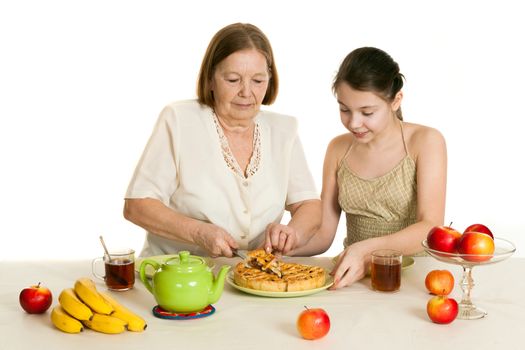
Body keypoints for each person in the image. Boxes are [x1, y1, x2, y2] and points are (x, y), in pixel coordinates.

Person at [123, 23, 321, 258]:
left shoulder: (283, 130)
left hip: (252, 277)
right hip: (176, 275)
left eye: (258, 81)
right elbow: (137, 206)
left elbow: (309, 206)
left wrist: (291, 233)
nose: (246, 92)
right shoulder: (179, 119)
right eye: (233, 79)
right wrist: (198, 232)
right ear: (210, 80)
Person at [290, 47, 447, 289]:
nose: (353, 123)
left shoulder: (426, 142)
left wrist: (366, 249)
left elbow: (430, 227)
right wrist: (282, 246)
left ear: (396, 101)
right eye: (344, 109)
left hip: (415, 280)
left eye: (367, 112)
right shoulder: (337, 149)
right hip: (356, 279)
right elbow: (323, 235)